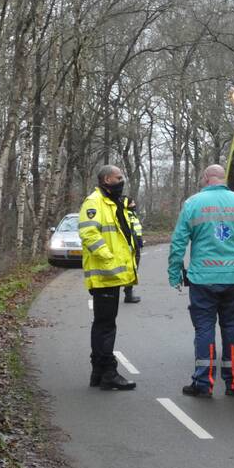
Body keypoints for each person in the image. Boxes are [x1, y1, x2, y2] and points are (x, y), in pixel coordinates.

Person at [168, 164, 234, 397]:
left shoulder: (192, 204)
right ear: (224, 179)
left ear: (206, 178)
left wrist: (175, 272)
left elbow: (178, 242)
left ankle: (203, 383)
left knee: (204, 329)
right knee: (232, 329)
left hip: (202, 280)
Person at [78, 165, 138, 391]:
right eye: (118, 177)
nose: (122, 181)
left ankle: (98, 372)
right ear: (106, 179)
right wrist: (108, 258)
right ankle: (108, 373)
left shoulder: (112, 202)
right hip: (104, 274)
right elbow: (88, 233)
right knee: (106, 326)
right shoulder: (94, 202)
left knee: (103, 324)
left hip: (111, 276)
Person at [123, 197, 144, 303]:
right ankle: (128, 294)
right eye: (132, 203)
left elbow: (136, 230)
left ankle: (128, 292)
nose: (134, 204)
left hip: (136, 244)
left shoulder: (132, 214)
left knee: (133, 269)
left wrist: (140, 240)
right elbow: (130, 232)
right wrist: (136, 242)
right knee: (131, 269)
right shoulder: (126, 215)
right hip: (132, 246)